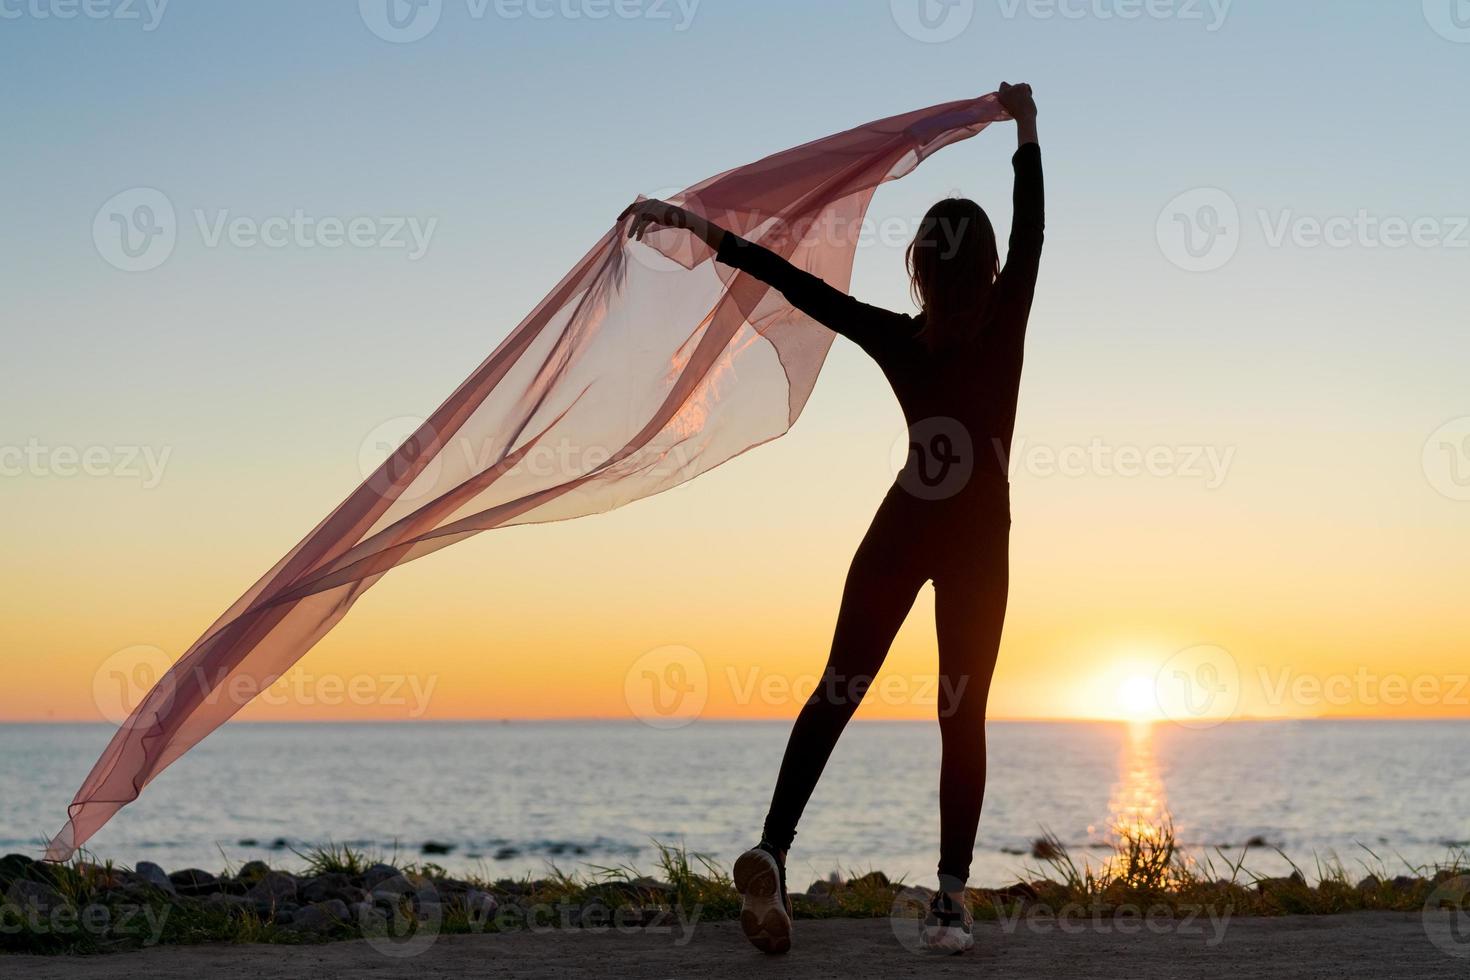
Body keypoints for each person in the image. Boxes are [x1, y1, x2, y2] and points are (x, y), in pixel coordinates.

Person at [621, 81, 1042, 955]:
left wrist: (697, 230)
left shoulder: (896, 335)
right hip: (976, 546)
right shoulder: (1005, 325)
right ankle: (950, 903)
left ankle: (773, 847)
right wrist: (1026, 130)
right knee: (961, 715)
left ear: (920, 269)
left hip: (900, 525)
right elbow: (1036, 226)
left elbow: (794, 284)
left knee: (837, 690)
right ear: (992, 269)